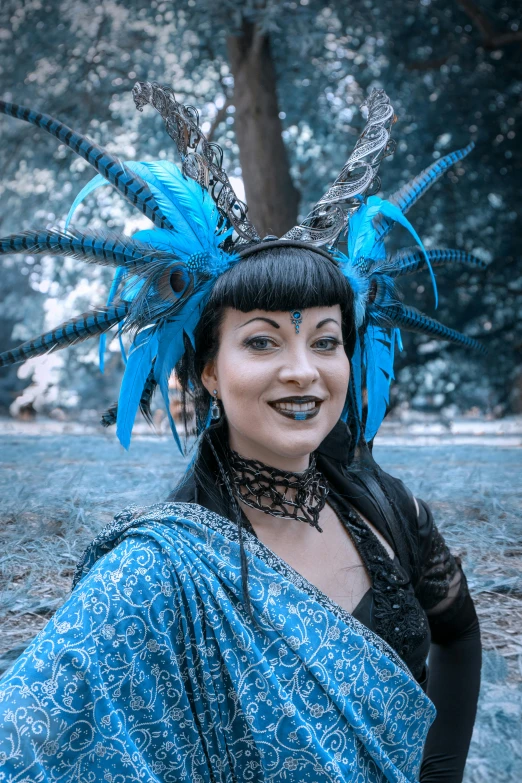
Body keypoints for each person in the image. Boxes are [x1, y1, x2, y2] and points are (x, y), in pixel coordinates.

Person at [0, 83, 482, 782]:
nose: (304, 372)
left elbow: (460, 635)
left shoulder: (390, 510)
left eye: (325, 341)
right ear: (206, 371)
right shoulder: (156, 572)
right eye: (261, 343)